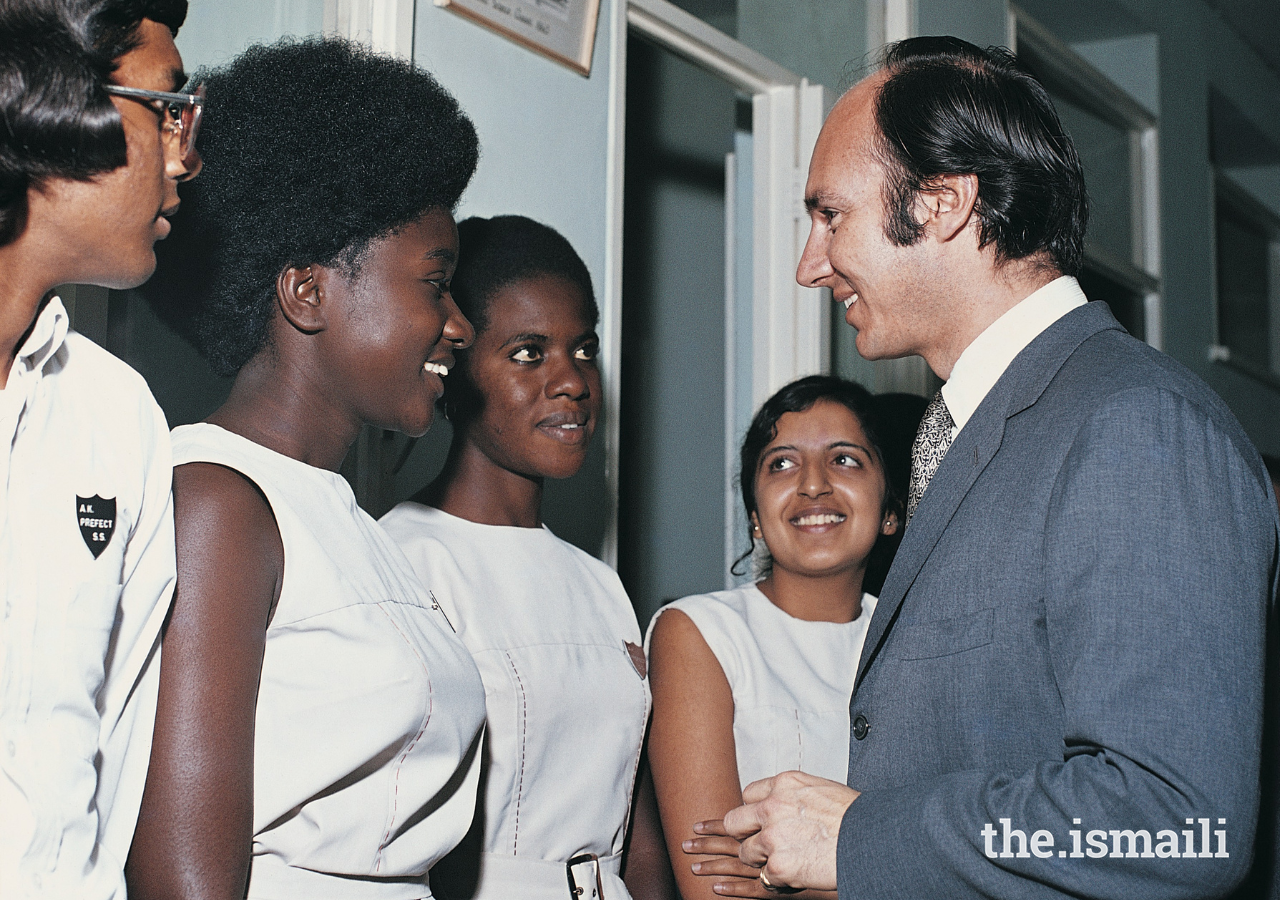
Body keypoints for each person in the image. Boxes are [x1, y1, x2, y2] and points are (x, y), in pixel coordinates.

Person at [717, 36, 1279, 899]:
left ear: (942, 202)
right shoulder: (977, 427)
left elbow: (1180, 823)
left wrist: (863, 836)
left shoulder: (1136, 424)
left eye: (831, 215)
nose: (809, 264)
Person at [125, 37, 487, 900]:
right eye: (436, 284)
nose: (460, 326)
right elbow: (183, 884)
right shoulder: (214, 502)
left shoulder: (347, 518)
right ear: (308, 292)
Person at [380, 215, 667, 900]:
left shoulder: (601, 587)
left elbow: (641, 839)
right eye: (529, 353)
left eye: (584, 349)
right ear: (453, 365)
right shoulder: (405, 560)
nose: (572, 381)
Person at [0, 1, 201, 896]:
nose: (185, 154)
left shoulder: (118, 417)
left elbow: (111, 758)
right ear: (47, 96)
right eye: (166, 108)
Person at [646, 375, 900, 900]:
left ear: (891, 511)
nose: (813, 485)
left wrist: (782, 875)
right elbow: (713, 889)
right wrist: (903, 869)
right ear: (757, 517)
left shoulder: (920, 644)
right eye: (781, 463)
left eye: (845, 459)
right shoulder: (699, 633)